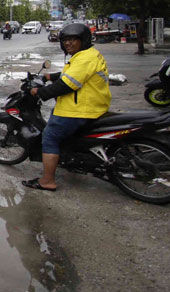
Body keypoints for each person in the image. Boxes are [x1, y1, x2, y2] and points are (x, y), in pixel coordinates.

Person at [23, 23, 111, 191]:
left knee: (49, 137)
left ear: (83, 40)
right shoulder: (88, 55)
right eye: (65, 40)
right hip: (93, 105)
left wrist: (40, 92)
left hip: (78, 110)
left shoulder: (84, 58)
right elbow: (71, 75)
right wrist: (49, 76)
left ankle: (47, 181)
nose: (68, 43)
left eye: (73, 40)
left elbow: (67, 85)